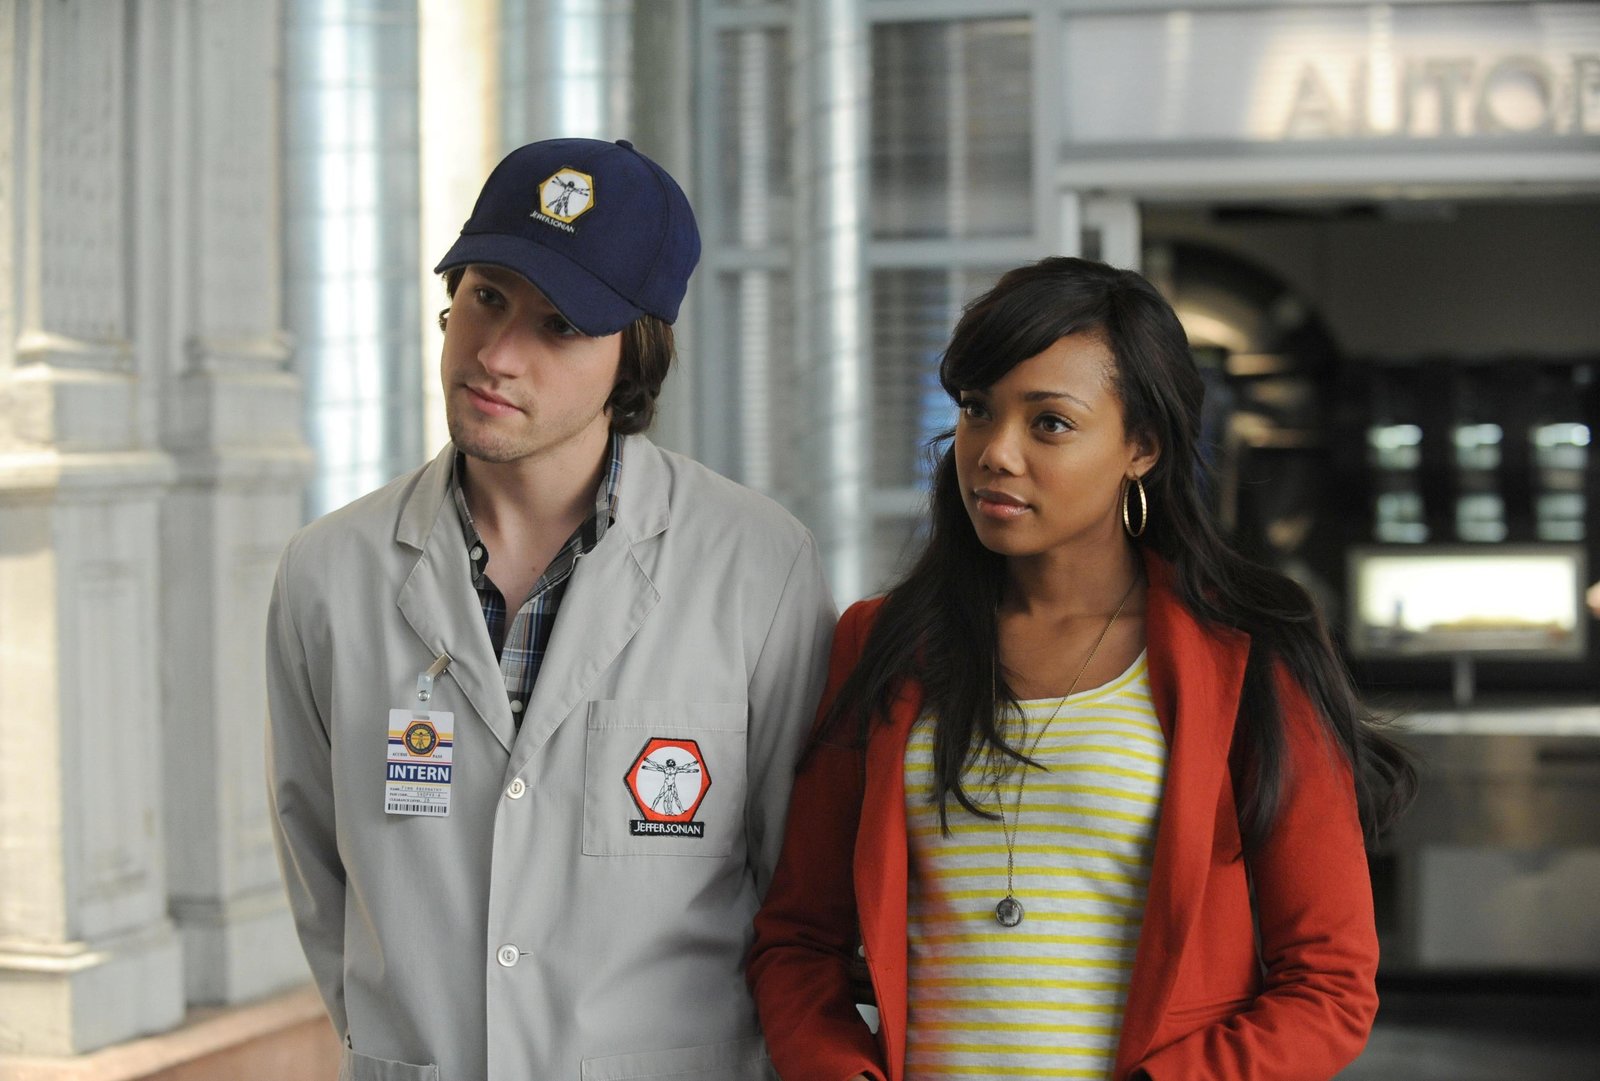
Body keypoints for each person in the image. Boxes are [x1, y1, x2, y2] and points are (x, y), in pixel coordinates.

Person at [748, 257, 1416, 1081]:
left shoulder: (1249, 651)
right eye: (978, 409)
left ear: (1143, 446)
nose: (995, 452)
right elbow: (797, 940)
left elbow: (1329, 983)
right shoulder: (884, 643)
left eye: (1050, 423)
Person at [267, 137, 835, 1080]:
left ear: (634, 354)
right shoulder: (326, 574)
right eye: (487, 296)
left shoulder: (759, 568)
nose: (496, 355)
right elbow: (321, 883)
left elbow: (798, 900)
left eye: (560, 324)